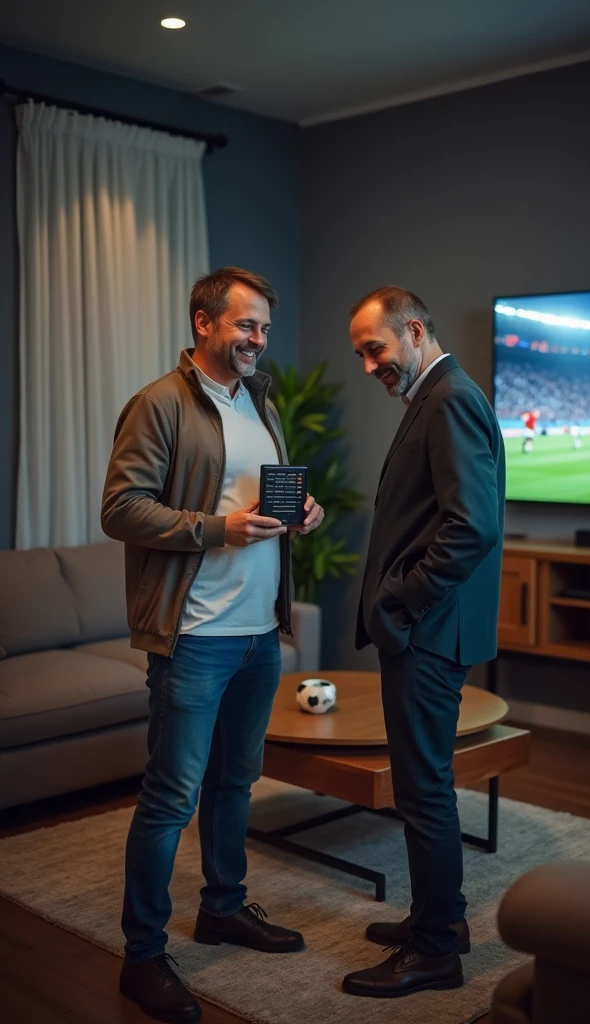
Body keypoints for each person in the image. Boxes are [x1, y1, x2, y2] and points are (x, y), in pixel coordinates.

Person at [101, 266, 324, 1024]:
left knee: (235, 784)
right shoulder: (159, 403)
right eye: (245, 325)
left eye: (264, 326)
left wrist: (303, 510)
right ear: (204, 323)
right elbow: (123, 508)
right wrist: (217, 529)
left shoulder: (257, 401)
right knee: (169, 798)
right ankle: (142, 955)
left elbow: (257, 497)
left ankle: (224, 906)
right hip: (194, 633)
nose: (259, 339)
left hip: (259, 630)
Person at [342, 286, 505, 999]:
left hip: (428, 631)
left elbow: (472, 525)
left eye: (374, 348)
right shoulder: (435, 397)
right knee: (424, 786)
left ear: (413, 331)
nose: (368, 365)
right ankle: (441, 920)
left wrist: (400, 600)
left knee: (423, 792)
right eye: (361, 354)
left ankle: (436, 951)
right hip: (427, 629)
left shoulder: (449, 398)